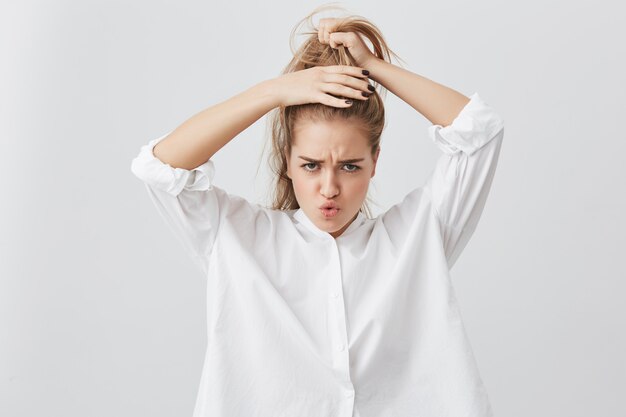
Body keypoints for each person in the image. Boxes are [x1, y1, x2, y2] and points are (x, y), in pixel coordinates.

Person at [130, 6, 504, 417]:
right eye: (311, 165)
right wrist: (274, 92)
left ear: (375, 162)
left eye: (350, 166)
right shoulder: (235, 236)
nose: (329, 188)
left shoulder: (419, 236)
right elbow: (159, 168)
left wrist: (374, 68)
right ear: (287, 161)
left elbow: (479, 132)